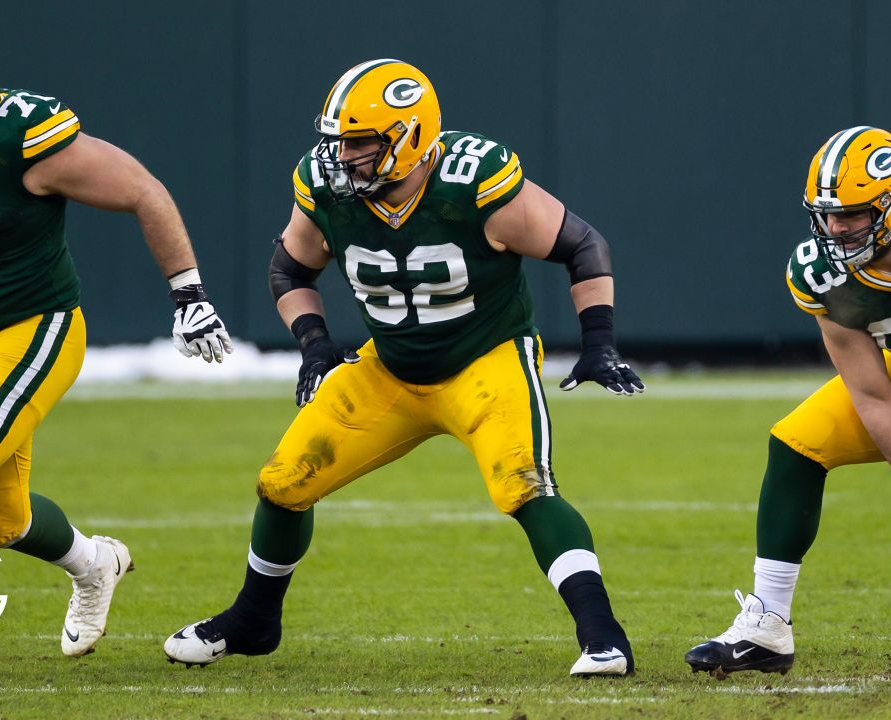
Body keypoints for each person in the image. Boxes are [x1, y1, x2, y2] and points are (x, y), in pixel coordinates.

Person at [163, 58, 644, 677]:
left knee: (524, 484)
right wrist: (314, 344)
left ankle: (604, 638)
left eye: (360, 143)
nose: (344, 157)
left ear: (411, 137)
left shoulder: (474, 181)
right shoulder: (326, 186)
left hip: (484, 360)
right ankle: (255, 620)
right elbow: (290, 268)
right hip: (388, 368)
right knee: (283, 482)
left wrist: (598, 341)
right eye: (338, 142)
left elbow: (583, 245)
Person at [0, 14, 232, 677]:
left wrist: (190, 294)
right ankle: (97, 565)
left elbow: (145, 192)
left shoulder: (28, 138)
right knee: (0, 517)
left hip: (35, 327)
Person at [685, 126, 891, 677]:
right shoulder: (821, 274)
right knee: (797, 443)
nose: (837, 227)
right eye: (827, 214)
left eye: (853, 213)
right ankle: (767, 627)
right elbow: (872, 395)